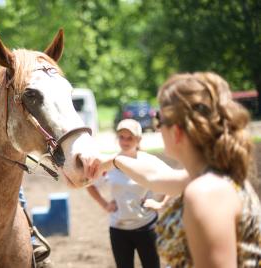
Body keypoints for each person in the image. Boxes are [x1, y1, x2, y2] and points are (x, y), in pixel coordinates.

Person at [87, 72, 261, 267]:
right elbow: (154, 177)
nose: (158, 128)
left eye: (159, 120)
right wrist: (112, 161)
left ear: (177, 131)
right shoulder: (210, 176)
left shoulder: (206, 193)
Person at [87, 119, 168, 268]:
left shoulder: (149, 161)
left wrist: (160, 203)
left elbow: (171, 180)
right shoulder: (109, 162)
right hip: (118, 228)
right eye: (121, 137)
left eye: (129, 137)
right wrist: (104, 204)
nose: (125, 141)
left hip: (146, 227)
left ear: (138, 139)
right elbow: (89, 183)